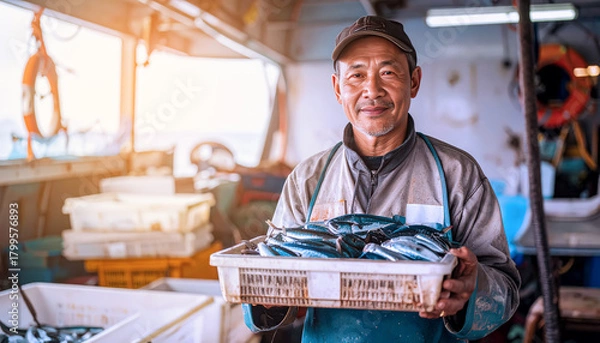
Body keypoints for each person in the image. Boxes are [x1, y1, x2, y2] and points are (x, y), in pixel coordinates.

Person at [242, 15, 521, 342]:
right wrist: (266, 301)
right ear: (337, 88)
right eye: (356, 75)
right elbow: (273, 290)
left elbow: (505, 289)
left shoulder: (459, 175)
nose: (372, 90)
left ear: (414, 81)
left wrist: (472, 291)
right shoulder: (307, 179)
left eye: (388, 72)